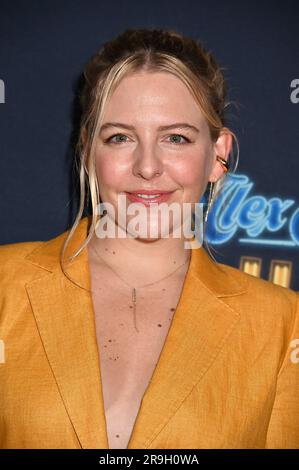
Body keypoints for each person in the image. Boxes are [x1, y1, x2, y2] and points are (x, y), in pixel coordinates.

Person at [0, 28, 298, 450]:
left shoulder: (284, 324)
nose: (147, 166)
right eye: (120, 137)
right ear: (88, 151)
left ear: (218, 155)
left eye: (175, 138)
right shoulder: (3, 288)